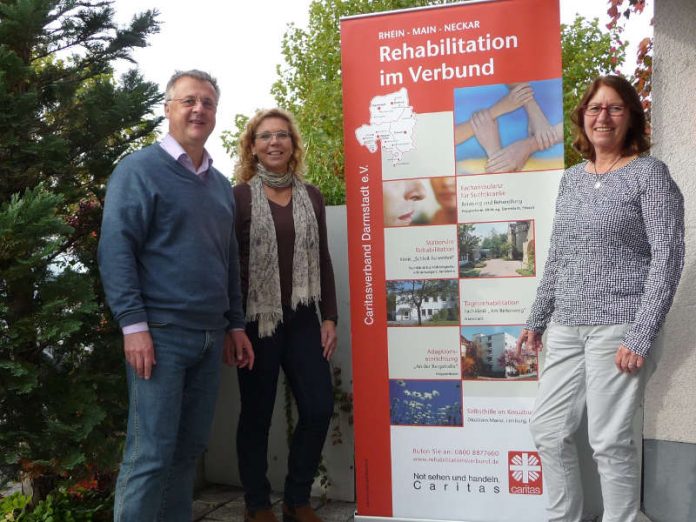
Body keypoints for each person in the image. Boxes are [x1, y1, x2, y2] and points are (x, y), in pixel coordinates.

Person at [517, 75, 684, 522]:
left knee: (609, 441)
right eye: (594, 108)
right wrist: (537, 318)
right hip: (567, 326)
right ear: (582, 118)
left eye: (614, 108)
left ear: (631, 117)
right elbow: (559, 255)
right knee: (548, 429)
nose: (602, 117)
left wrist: (642, 332)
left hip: (620, 327)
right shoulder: (572, 180)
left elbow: (668, 257)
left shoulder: (650, 175)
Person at [98, 70, 254, 522]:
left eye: (207, 102)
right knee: (149, 454)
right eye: (188, 100)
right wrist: (133, 326)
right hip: (160, 336)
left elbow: (228, 262)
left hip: (210, 337)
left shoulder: (220, 186)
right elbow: (116, 248)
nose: (198, 109)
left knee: (187, 451)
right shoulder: (138, 170)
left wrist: (235, 324)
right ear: (168, 109)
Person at [233, 108, 338, 522]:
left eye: (282, 135)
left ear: (293, 144)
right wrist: (231, 324)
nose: (274, 142)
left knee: (317, 407)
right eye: (264, 136)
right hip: (257, 321)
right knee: (257, 415)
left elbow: (323, 258)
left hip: (303, 317)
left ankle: (298, 499)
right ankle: (257, 503)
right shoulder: (238, 197)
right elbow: (228, 265)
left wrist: (329, 316)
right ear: (253, 146)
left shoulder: (311, 195)